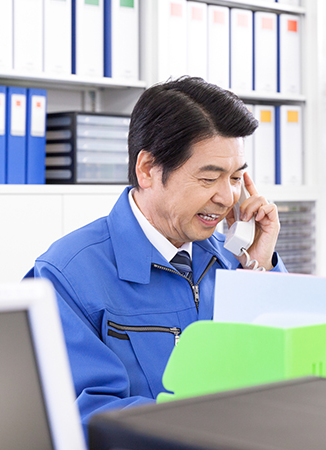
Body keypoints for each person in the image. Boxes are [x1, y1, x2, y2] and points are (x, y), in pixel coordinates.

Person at [25, 77, 287, 432]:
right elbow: (89, 418)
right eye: (209, 179)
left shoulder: (232, 260)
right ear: (147, 169)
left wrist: (259, 267)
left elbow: (286, 372)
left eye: (237, 178)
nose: (227, 198)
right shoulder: (64, 276)